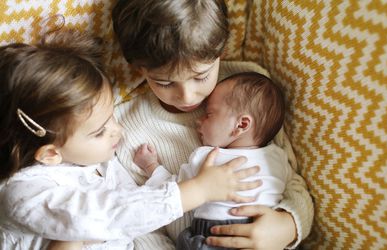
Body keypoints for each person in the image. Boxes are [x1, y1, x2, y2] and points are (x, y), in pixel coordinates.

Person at [0, 30, 261, 250]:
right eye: (100, 131)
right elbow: (111, 213)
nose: (118, 130)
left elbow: (142, 221)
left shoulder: (97, 162)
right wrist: (196, 191)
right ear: (50, 154)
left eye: (112, 116)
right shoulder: (23, 194)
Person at [112, 0, 314, 249]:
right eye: (164, 83)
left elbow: (288, 178)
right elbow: (141, 224)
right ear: (140, 69)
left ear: (220, 53)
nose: (187, 96)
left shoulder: (249, 87)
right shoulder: (123, 127)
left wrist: (288, 225)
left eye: (201, 76)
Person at [133, 72, 296, 250]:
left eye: (209, 114)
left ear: (241, 125)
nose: (198, 120)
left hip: (213, 237)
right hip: (263, 237)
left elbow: (175, 193)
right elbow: (292, 189)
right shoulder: (279, 158)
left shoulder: (208, 158)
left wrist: (151, 167)